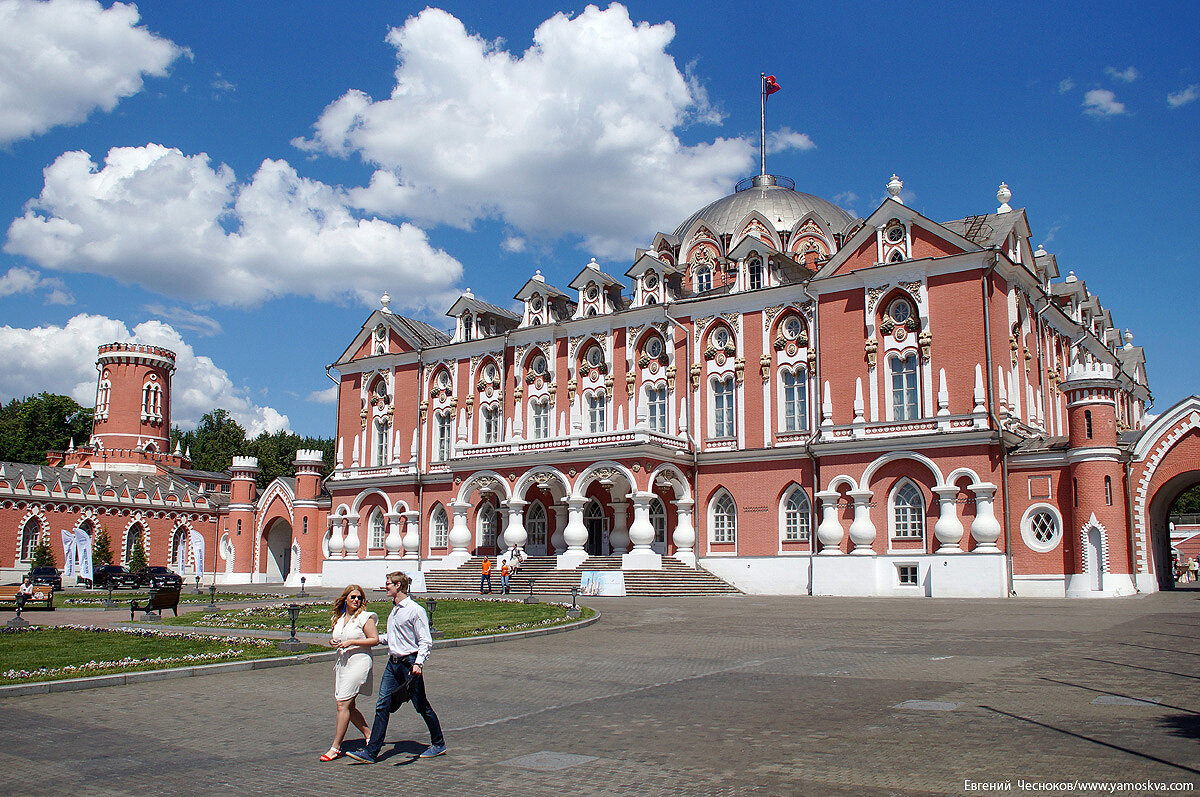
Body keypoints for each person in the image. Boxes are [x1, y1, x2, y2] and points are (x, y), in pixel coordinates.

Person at [345, 572, 446, 763]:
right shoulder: (395, 610)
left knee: (421, 706)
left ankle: (438, 744)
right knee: (382, 705)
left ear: (398, 585)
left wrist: (419, 663)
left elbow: (425, 640)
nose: (386, 587)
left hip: (409, 665)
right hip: (393, 665)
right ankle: (371, 752)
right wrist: (363, 641)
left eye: (388, 584)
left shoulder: (415, 610)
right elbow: (392, 638)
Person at [323, 584, 379, 761]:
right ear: (345, 598)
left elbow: (375, 640)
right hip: (343, 664)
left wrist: (352, 642)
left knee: (342, 704)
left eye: (359, 597)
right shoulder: (339, 618)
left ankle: (335, 747)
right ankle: (370, 735)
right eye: (353, 597)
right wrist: (334, 641)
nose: (356, 600)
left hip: (359, 662)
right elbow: (339, 637)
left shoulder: (365, 617)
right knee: (348, 705)